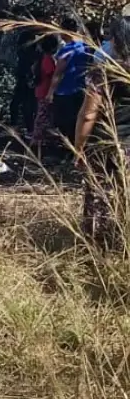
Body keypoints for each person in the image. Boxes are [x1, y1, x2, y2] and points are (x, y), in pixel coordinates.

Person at [73, 15, 130, 252]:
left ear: (116, 40)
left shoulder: (104, 71)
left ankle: (96, 248)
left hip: (108, 144)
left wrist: (78, 148)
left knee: (99, 196)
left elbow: (88, 114)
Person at [46, 16, 93, 152]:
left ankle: (67, 151)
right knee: (75, 122)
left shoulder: (66, 50)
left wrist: (50, 92)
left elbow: (58, 73)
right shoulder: (85, 47)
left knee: (63, 124)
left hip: (65, 91)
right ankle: (76, 150)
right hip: (81, 89)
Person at [30, 34, 59, 152]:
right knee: (42, 117)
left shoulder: (41, 58)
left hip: (41, 90)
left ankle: (40, 141)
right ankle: (35, 142)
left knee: (43, 115)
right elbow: (53, 74)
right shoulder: (48, 59)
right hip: (45, 92)